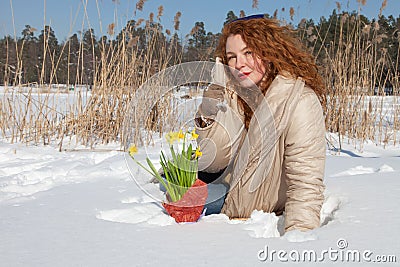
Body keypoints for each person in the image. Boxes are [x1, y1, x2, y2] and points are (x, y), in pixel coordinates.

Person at [195, 14, 326, 232]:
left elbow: (305, 183)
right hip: (228, 205)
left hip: (259, 215)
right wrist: (212, 105)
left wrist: (300, 236)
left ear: (269, 52)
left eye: (248, 53)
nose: (239, 64)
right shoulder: (232, 94)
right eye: (231, 57)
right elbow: (213, 161)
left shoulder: (299, 101)